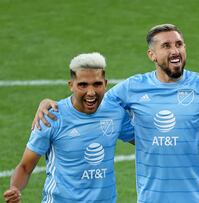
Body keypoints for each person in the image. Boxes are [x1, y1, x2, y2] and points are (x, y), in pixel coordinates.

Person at [31, 24, 199, 203]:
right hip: (151, 197)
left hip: (198, 197)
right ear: (152, 54)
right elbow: (91, 101)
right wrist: (49, 102)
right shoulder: (132, 87)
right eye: (166, 46)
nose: (175, 50)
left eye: (179, 44)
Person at [3, 53, 134, 203]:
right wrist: (15, 188)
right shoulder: (51, 118)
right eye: (83, 85)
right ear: (71, 85)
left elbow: (145, 140)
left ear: (105, 83)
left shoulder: (115, 112)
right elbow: (25, 167)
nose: (91, 92)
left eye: (97, 84)